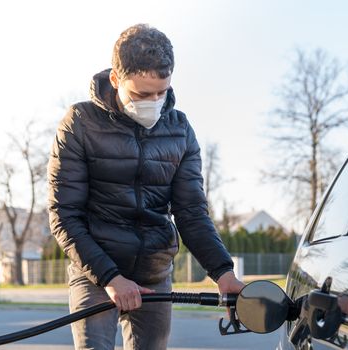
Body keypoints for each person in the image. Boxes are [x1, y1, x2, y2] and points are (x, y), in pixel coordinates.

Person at [47, 24, 244, 350]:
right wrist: (110, 278)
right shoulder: (79, 123)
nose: (153, 101)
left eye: (161, 92)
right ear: (115, 80)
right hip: (95, 272)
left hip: (153, 273)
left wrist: (223, 272)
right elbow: (64, 215)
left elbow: (191, 213)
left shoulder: (180, 130)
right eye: (141, 94)